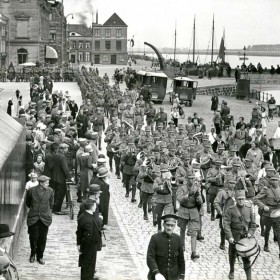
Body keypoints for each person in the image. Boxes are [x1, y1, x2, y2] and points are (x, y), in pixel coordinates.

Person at [223, 190, 256, 280]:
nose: (241, 201)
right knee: (232, 255)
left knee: (246, 257)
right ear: (236, 199)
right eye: (239, 199)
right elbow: (226, 224)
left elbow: (253, 224)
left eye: (242, 199)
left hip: (245, 238)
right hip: (234, 237)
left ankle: (248, 277)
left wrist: (250, 233)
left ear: (245, 199)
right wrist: (230, 237)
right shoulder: (230, 210)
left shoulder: (248, 209)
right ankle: (232, 270)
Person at [146, 214, 185, 280]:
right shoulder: (155, 238)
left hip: (173, 276)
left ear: (175, 226)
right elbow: (150, 257)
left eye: (172, 226)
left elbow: (181, 259)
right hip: (158, 276)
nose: (169, 228)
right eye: (167, 225)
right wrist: (156, 273)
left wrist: (181, 276)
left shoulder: (177, 238)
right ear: (163, 225)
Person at [26, 175, 54, 265]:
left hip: (45, 219)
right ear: (41, 183)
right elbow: (28, 203)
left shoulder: (50, 191)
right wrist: (35, 209)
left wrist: (46, 212)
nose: (48, 184)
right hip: (34, 218)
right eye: (46, 183)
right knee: (33, 237)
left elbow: (51, 204)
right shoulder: (31, 190)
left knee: (43, 238)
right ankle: (32, 254)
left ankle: (40, 256)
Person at [177, 172, 203, 260]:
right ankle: (181, 246)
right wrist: (188, 195)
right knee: (182, 229)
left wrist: (198, 198)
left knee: (194, 232)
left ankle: (193, 252)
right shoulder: (182, 187)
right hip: (183, 210)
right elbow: (179, 199)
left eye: (193, 178)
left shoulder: (196, 188)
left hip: (193, 211)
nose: (192, 180)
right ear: (187, 179)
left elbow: (201, 201)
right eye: (190, 178)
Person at [254, 176, 280, 256]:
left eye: (276, 180)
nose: (275, 182)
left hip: (278, 212)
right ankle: (266, 244)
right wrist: (263, 206)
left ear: (278, 181)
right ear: (271, 181)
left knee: (278, 232)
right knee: (267, 229)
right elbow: (256, 199)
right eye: (273, 180)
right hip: (268, 212)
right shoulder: (266, 189)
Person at [76, 199, 102, 280]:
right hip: (90, 246)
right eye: (94, 205)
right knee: (89, 265)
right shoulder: (89, 220)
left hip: (85, 245)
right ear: (92, 207)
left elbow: (78, 232)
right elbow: (88, 236)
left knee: (85, 265)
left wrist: (79, 244)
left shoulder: (83, 216)